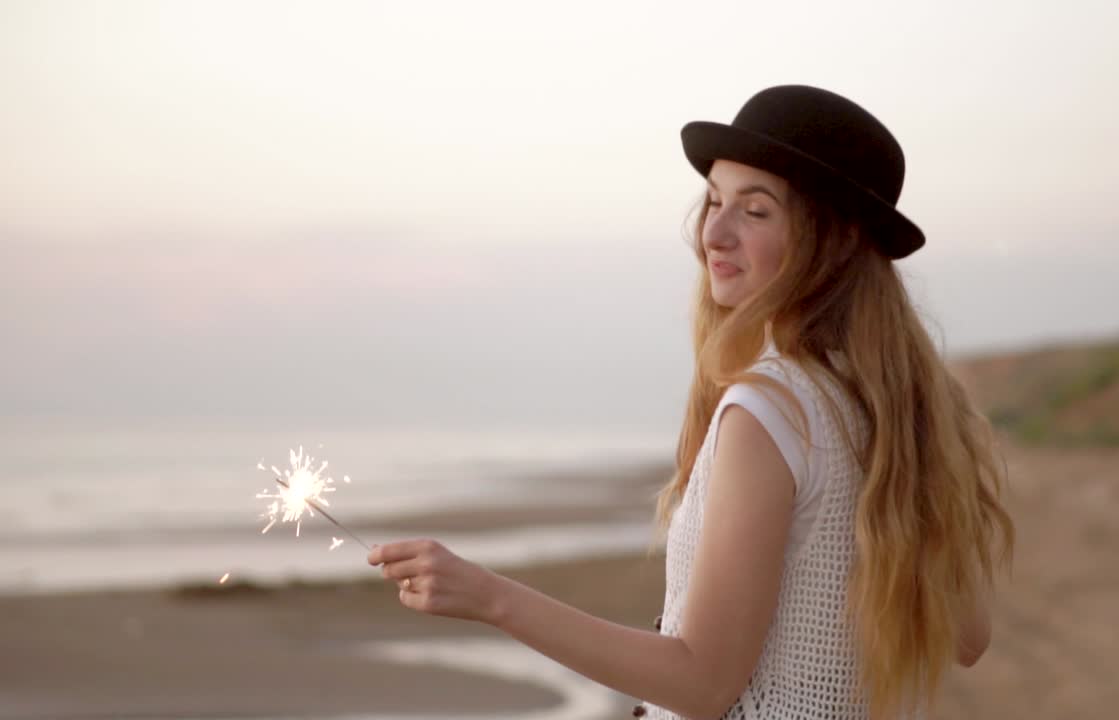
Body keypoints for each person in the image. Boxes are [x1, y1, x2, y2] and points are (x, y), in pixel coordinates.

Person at [367, 84, 1016, 720]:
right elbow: (969, 635)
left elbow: (704, 684)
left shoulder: (773, 409)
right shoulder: (898, 409)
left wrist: (488, 596)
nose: (715, 234)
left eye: (755, 210)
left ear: (835, 240)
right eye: (713, 202)